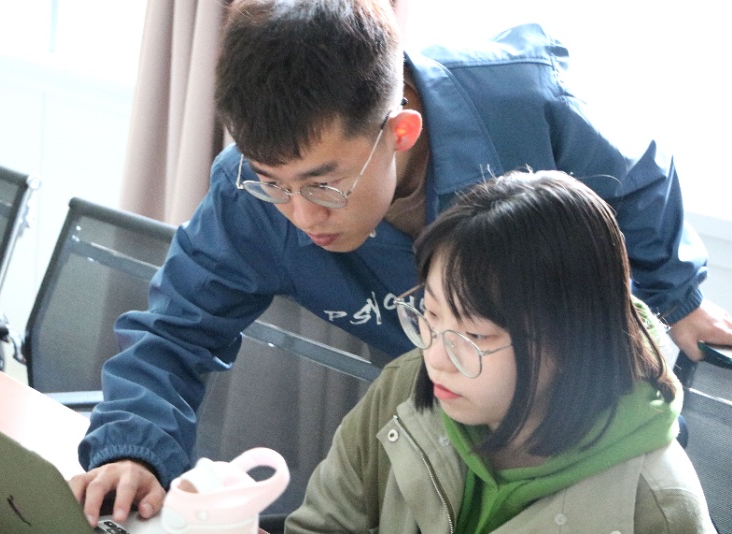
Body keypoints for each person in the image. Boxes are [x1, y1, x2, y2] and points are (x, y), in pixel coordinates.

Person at [70, 0, 732, 527]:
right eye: (273, 183)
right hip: (441, 419)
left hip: (565, 425)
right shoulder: (248, 194)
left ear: (401, 131)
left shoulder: (530, 101)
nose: (299, 214)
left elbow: (639, 177)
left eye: (324, 184)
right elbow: (175, 330)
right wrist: (133, 447)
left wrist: (679, 296)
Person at [285, 170, 715, 533]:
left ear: (572, 340)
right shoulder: (402, 389)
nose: (435, 358)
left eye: (475, 335)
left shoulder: (655, 504)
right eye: (430, 315)